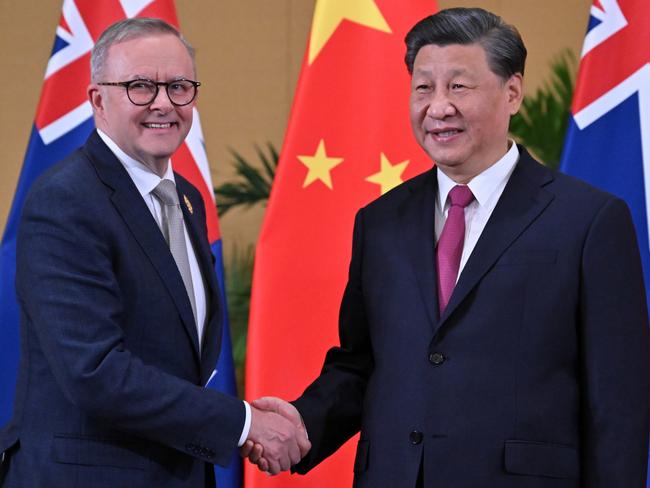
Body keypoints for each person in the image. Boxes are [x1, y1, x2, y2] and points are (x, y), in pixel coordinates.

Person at [243, 7, 650, 487]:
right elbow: (364, 362)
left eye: (458, 86)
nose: (438, 107)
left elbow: (619, 403)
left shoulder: (588, 220)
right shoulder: (380, 223)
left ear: (512, 92)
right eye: (423, 87)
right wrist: (305, 423)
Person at [0, 18, 308, 487]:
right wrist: (242, 423)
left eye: (179, 86)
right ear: (97, 101)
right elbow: (95, 371)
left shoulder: (187, 199)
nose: (163, 103)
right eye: (140, 86)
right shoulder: (65, 200)